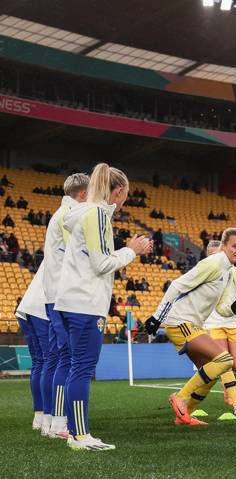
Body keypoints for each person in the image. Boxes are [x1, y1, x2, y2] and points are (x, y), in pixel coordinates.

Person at [54, 163, 152, 450]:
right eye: (125, 195)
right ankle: (80, 435)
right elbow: (101, 264)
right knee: (82, 369)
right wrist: (130, 251)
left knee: (75, 367)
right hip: (85, 303)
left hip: (70, 299)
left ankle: (74, 431)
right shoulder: (97, 213)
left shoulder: (82, 212)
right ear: (119, 191)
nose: (124, 201)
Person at [145, 228, 236, 428]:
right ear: (224, 246)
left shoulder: (227, 271)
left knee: (209, 373)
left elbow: (217, 307)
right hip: (180, 322)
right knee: (225, 360)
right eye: (235, 246)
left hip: (191, 324)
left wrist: (233, 309)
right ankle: (181, 398)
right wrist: (157, 317)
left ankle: (184, 415)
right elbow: (177, 285)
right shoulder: (214, 264)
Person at [42, 172, 89, 440]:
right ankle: (60, 423)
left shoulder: (59, 214)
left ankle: (52, 420)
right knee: (66, 358)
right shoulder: (69, 216)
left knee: (62, 358)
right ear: (83, 194)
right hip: (63, 296)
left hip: (55, 295)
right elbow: (81, 252)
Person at [202, 239, 236, 415]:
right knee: (225, 362)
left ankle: (228, 387)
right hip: (214, 323)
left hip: (234, 322)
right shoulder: (202, 273)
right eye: (211, 255)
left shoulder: (234, 272)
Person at [16, 262, 51, 434]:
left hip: (27, 307)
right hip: (42, 307)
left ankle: (39, 416)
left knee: (39, 362)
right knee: (49, 361)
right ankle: (48, 418)